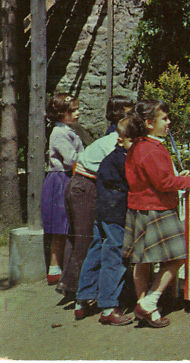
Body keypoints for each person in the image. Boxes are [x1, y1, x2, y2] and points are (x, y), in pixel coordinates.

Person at [123, 100, 190, 328]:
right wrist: (188, 181)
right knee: (178, 258)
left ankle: (148, 309)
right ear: (148, 123)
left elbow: (156, 177)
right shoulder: (151, 149)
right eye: (164, 118)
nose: (169, 122)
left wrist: (176, 176)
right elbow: (163, 182)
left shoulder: (139, 145)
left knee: (143, 261)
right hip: (156, 209)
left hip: (140, 207)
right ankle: (150, 301)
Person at [59, 95, 134, 296]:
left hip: (90, 182)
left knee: (84, 237)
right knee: (86, 237)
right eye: (129, 113)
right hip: (85, 184)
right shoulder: (117, 138)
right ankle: (73, 288)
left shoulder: (119, 133)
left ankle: (76, 287)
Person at [74, 117, 136, 326]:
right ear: (122, 140)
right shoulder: (124, 160)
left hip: (102, 210)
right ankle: (109, 306)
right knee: (114, 254)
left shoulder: (111, 157)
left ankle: (82, 299)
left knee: (96, 250)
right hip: (114, 212)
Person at [42, 93, 84, 285]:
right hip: (61, 180)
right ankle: (55, 268)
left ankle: (61, 267)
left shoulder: (69, 130)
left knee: (67, 226)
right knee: (60, 226)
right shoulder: (59, 133)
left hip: (68, 178)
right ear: (61, 114)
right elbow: (70, 159)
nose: (77, 113)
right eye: (72, 111)